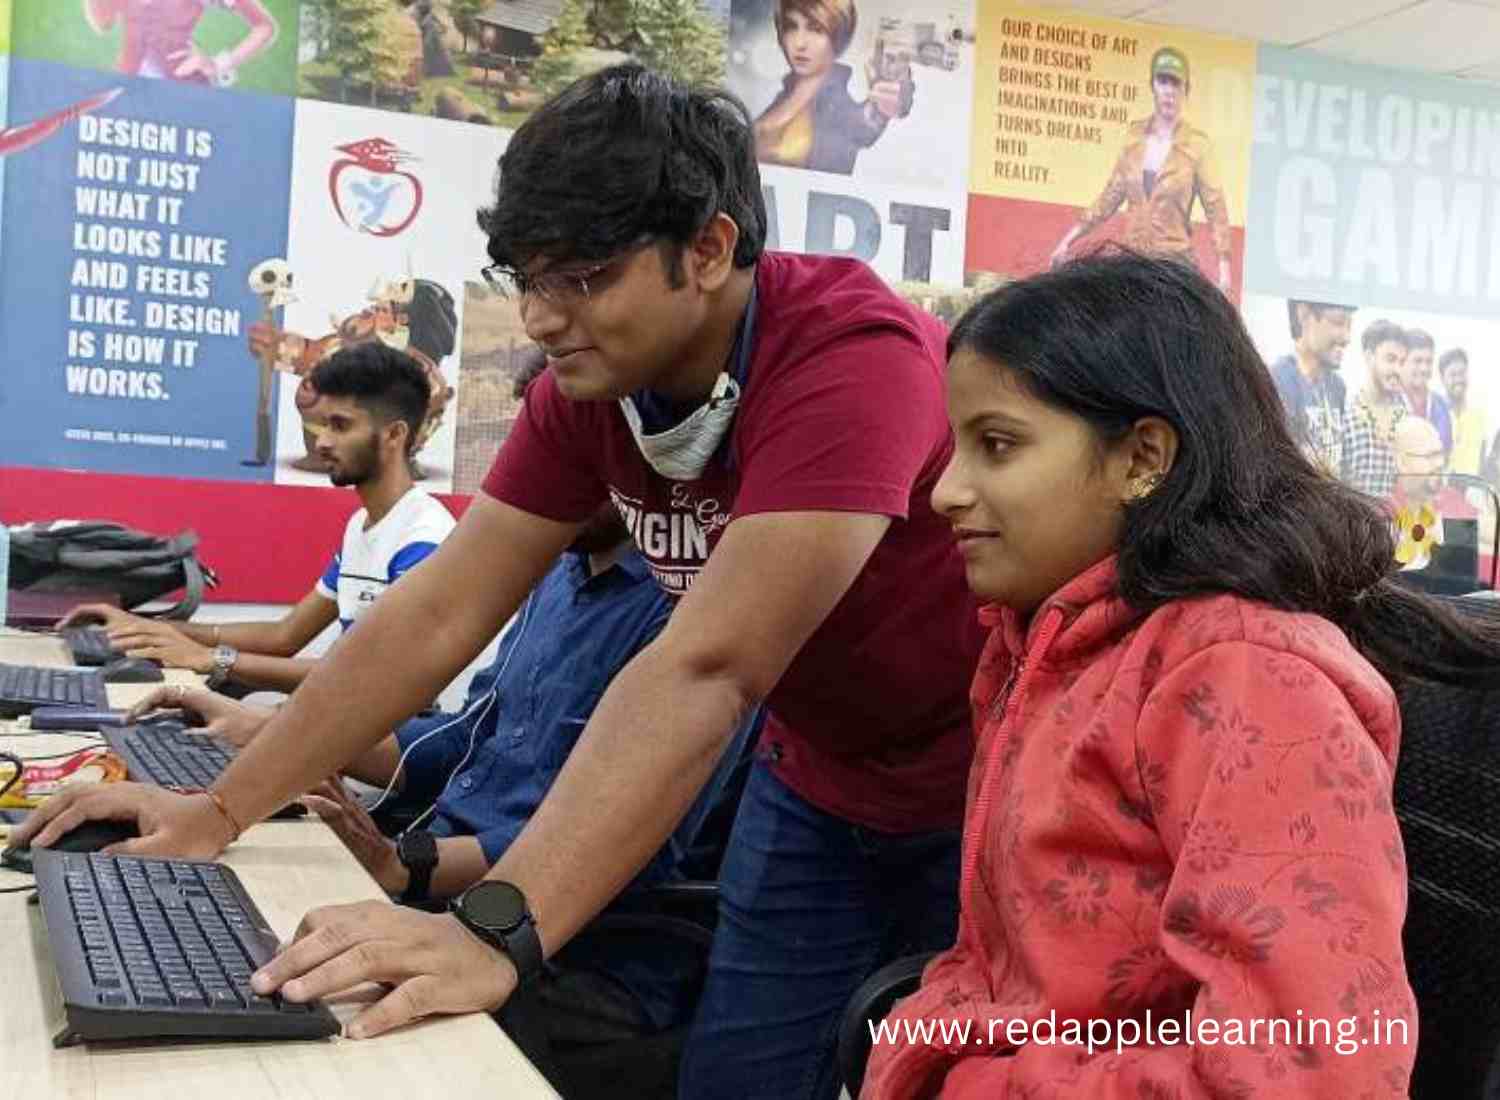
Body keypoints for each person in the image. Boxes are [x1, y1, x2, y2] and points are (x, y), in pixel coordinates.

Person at [15, 64, 983, 1100]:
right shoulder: (592, 390)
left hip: (968, 790)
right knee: (738, 1080)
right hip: (818, 779)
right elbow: (438, 609)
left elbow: (709, 669)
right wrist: (215, 812)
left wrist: (494, 932)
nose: (540, 318)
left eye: (582, 278)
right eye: (528, 278)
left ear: (707, 248)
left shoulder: (849, 358)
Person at [853, 251, 1500, 1098]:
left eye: (997, 446)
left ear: (1143, 459)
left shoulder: (1246, 684)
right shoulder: (1049, 645)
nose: (946, 491)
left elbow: (1311, 1073)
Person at [125, 483, 761, 1100]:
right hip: (443, 895)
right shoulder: (558, 579)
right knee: (237, 944)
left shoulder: (691, 604)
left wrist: (407, 868)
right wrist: (272, 737)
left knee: (297, 1031)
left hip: (571, 948)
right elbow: (459, 736)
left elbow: (623, 837)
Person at [60, 343, 456, 693]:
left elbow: (376, 676)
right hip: (343, 722)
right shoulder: (363, 526)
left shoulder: (424, 540)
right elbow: (284, 636)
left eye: (340, 426)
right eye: (323, 425)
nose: (322, 441)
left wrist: (211, 660)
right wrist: (151, 629)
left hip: (388, 744)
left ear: (394, 435)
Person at [1049, 47, 1233, 295]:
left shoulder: (1198, 145)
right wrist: (1067, 241)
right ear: (1152, 85)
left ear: (1186, 90)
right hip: (1132, 265)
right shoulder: (1133, 138)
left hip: (1173, 267)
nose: (1169, 90)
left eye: (1176, 83)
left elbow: (1215, 206)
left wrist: (1224, 268)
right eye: (1163, 81)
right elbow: (1109, 197)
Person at [249, 275, 458, 475]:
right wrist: (272, 345)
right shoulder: (337, 347)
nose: (368, 310)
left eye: (381, 310)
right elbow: (300, 353)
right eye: (374, 306)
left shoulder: (418, 376)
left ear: (401, 325)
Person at [752, 0, 913, 175]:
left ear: (837, 36)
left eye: (816, 29)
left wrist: (883, 109)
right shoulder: (784, 96)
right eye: (791, 27)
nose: (799, 43)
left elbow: (863, 124)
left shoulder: (836, 107)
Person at [82, 0, 277, 86]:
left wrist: (218, 65)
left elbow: (265, 27)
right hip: (127, 85)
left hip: (179, 86)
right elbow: (103, 23)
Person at [1269, 298, 1354, 476]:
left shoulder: (1337, 386)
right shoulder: (1277, 381)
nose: (1347, 338)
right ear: (1304, 315)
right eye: (1338, 323)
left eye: (1349, 326)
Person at [1342, 319, 1410, 499]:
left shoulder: (1408, 417)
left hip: (1398, 516)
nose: (1397, 369)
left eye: (1402, 362)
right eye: (1390, 359)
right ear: (1368, 356)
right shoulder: (1346, 413)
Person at [1398, 329, 1451, 458]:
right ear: (1402, 362)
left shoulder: (1441, 404)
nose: (1424, 368)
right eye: (1418, 361)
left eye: (1429, 362)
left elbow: (1446, 451)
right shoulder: (1388, 402)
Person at [1441, 347, 1485, 477]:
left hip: (1473, 487)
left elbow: (1481, 461)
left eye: (1462, 373)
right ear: (1442, 379)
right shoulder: (1436, 414)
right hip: (1443, 487)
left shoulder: (1478, 417)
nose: (1459, 379)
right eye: (1453, 375)